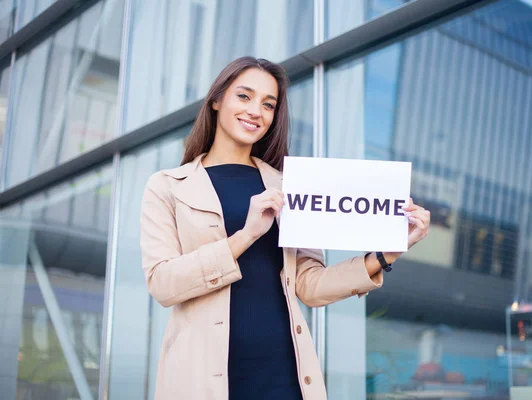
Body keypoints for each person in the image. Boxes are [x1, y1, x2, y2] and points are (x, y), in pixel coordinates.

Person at [139, 56, 431, 400]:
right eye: (244, 96)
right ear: (216, 101)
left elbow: (310, 284)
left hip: (284, 373)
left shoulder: (290, 187)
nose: (255, 111)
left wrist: (387, 252)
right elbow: (162, 284)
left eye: (268, 104)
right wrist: (246, 236)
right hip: (201, 378)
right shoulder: (168, 186)